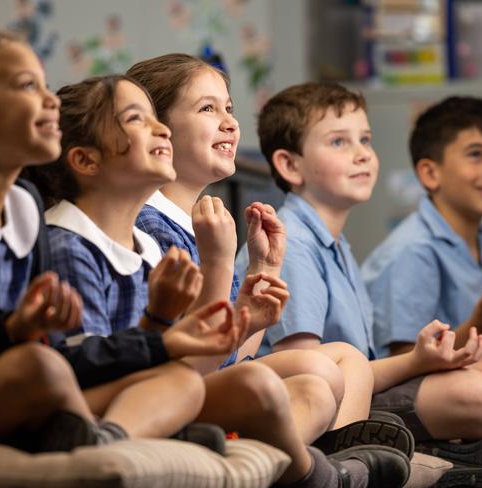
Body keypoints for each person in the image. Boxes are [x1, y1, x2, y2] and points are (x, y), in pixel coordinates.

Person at [29, 72, 411, 488]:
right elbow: (110, 364)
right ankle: (315, 472)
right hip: (115, 399)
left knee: (317, 384)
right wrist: (218, 266)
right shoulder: (76, 245)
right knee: (260, 380)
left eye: (229, 107)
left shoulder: (144, 243)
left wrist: (250, 303)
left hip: (161, 386)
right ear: (86, 160)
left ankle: (313, 465)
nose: (159, 130)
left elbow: (197, 353)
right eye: (138, 119)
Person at [0, 28, 243, 453]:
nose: (51, 100)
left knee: (180, 382)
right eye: (27, 86)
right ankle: (112, 434)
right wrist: (10, 330)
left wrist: (157, 333)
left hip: (34, 384)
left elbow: (72, 352)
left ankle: (104, 434)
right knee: (38, 364)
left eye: (45, 84)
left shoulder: (23, 208)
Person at [242, 81, 482, 486]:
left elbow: (362, 363)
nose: (363, 153)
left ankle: (434, 456)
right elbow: (316, 375)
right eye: (339, 142)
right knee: (479, 395)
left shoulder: (335, 243)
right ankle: (429, 459)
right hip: (325, 399)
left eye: (365, 139)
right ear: (290, 165)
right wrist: (420, 362)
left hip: (363, 385)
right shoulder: (292, 243)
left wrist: (461, 358)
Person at [128, 55, 393, 443]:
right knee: (319, 369)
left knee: (346, 360)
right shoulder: (150, 225)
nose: (231, 123)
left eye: (230, 109)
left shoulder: (203, 220)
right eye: (207, 108)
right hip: (180, 388)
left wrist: (264, 268)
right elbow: (202, 358)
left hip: (212, 377)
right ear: (159, 131)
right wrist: (225, 261)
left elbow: (238, 351)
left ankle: (343, 463)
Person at [361, 95, 482, 393]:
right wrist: (480, 322)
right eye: (476, 154)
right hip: (411, 389)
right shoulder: (413, 250)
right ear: (430, 173)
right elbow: (403, 359)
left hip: (474, 370)